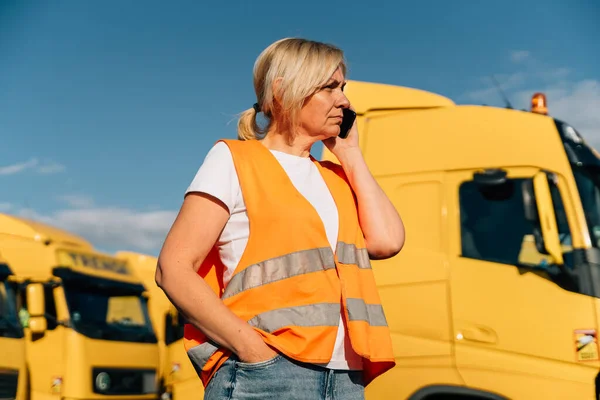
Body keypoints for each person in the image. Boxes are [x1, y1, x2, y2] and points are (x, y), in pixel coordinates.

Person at [155, 37, 405, 400]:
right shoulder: (235, 159)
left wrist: (351, 156)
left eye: (344, 89)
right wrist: (253, 352)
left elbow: (387, 241)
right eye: (330, 88)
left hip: (346, 377)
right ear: (284, 91)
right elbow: (173, 268)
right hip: (270, 372)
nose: (345, 101)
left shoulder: (335, 177)